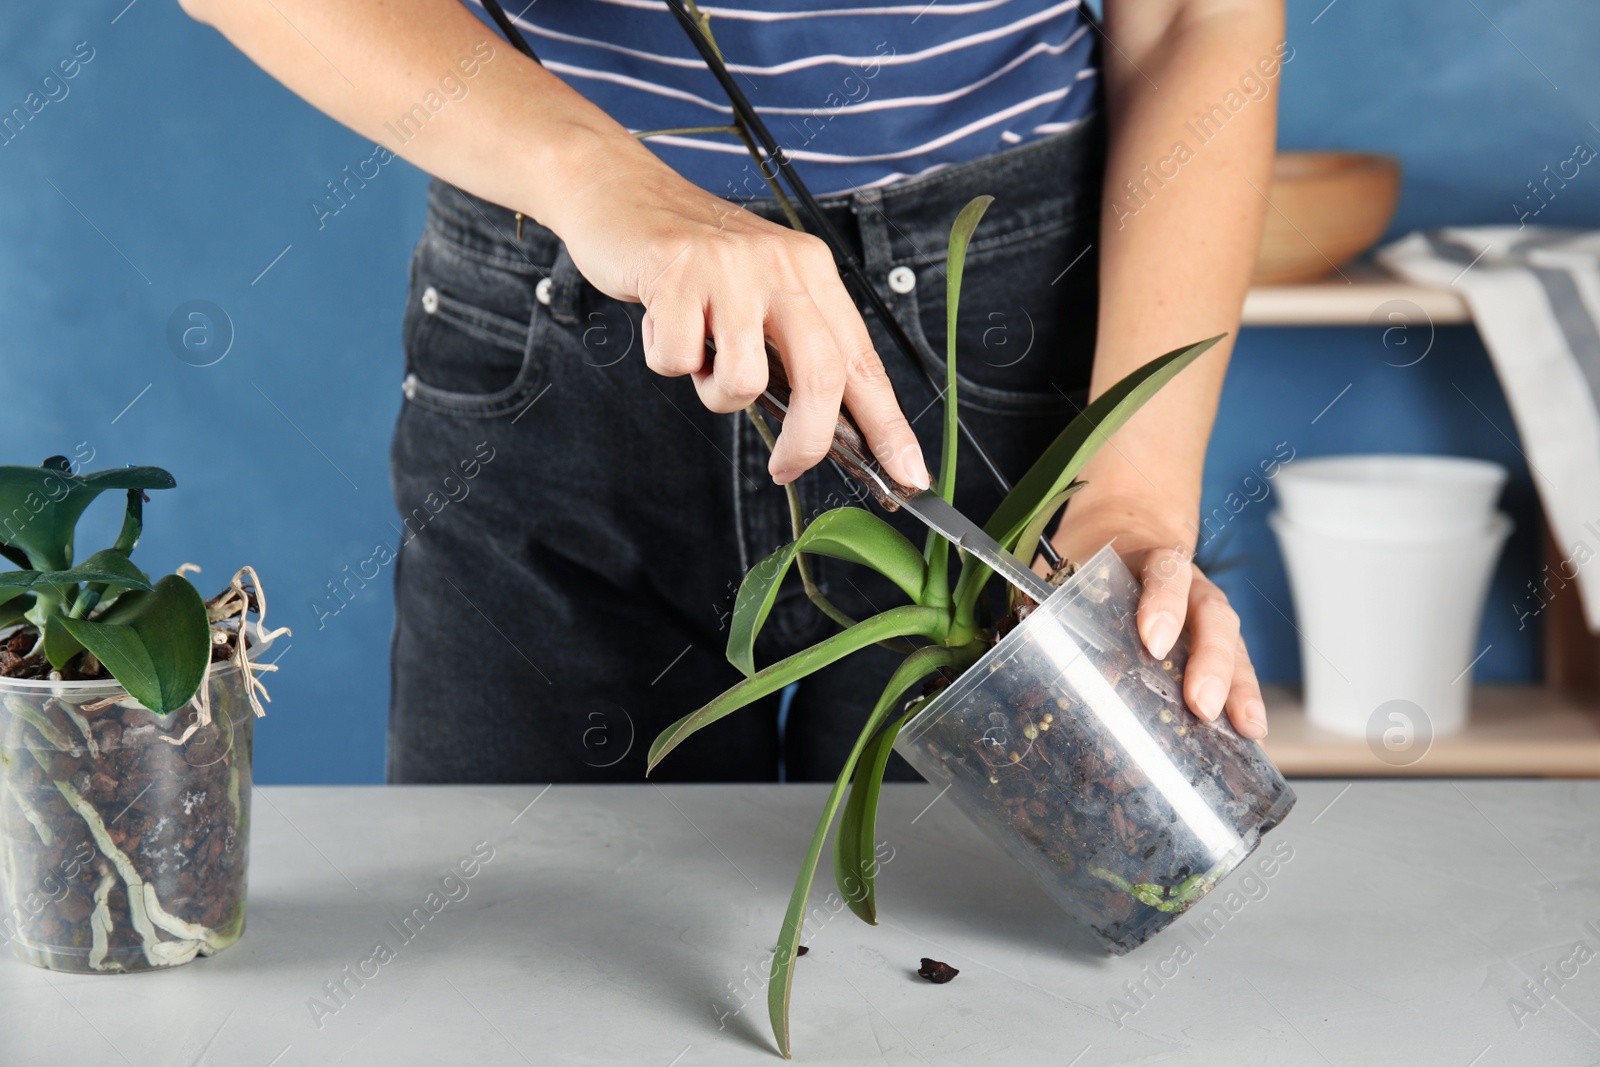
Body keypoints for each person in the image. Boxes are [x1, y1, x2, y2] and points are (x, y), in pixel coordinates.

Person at [181, 0, 1283, 783]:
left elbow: (1199, 14)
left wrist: (1131, 485)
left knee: (989, 979)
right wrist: (598, 177)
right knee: (529, 969)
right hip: (564, 275)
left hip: (1004, 330)